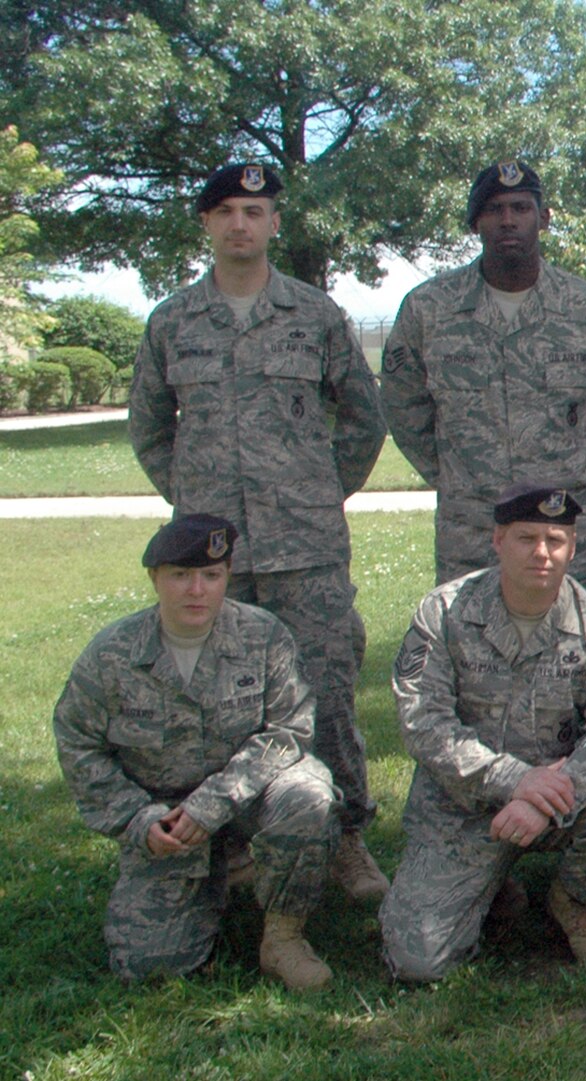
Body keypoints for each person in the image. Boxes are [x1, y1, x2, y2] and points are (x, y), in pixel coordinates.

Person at [128, 162, 389, 902]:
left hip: (307, 552)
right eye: (225, 212)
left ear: (275, 222)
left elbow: (363, 417)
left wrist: (317, 492)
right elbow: (150, 428)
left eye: (254, 210)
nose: (240, 223)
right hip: (214, 556)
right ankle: (234, 838)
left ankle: (347, 836)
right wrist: (193, 502)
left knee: (327, 692)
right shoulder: (173, 321)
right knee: (221, 701)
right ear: (207, 225)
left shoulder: (315, 314)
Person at [380, 485, 586, 981]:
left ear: (573, 547)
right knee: (418, 963)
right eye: (526, 538)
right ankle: (492, 886)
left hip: (563, 801)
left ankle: (574, 900)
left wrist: (542, 796)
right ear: (498, 540)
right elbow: (424, 722)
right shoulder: (444, 613)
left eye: (555, 540)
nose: (542, 552)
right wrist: (514, 780)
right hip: (463, 803)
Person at [53, 516, 340, 990]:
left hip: (247, 799)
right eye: (180, 575)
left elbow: (290, 728)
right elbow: (78, 743)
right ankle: (221, 875)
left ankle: (283, 938)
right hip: (168, 822)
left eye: (211, 575)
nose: (197, 590)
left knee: (308, 794)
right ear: (155, 578)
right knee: (150, 967)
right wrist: (137, 819)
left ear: (227, 576)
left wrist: (214, 803)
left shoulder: (262, 636)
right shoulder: (112, 655)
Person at [380, 160, 586, 606]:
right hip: (475, 526)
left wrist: (578, 466)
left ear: (544, 218)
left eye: (521, 208)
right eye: (495, 209)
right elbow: (402, 404)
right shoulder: (429, 310)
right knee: (471, 638)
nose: (508, 220)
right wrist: (457, 473)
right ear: (475, 223)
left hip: (569, 521)